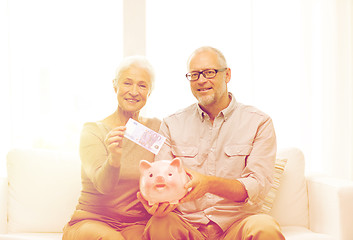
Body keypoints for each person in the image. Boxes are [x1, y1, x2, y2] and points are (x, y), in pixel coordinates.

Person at [138, 46, 285, 240]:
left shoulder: (259, 122)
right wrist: (157, 203)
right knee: (159, 224)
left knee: (265, 227)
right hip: (187, 224)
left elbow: (257, 185)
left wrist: (209, 184)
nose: (201, 80)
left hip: (237, 224)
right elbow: (161, 177)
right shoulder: (171, 123)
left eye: (209, 72)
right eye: (194, 75)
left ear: (227, 75)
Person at [62, 56, 160, 240]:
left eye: (142, 85)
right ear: (115, 86)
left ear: (150, 91)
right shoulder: (93, 131)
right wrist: (114, 159)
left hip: (134, 223)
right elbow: (103, 186)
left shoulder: (154, 129)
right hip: (91, 221)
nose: (133, 91)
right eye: (127, 83)